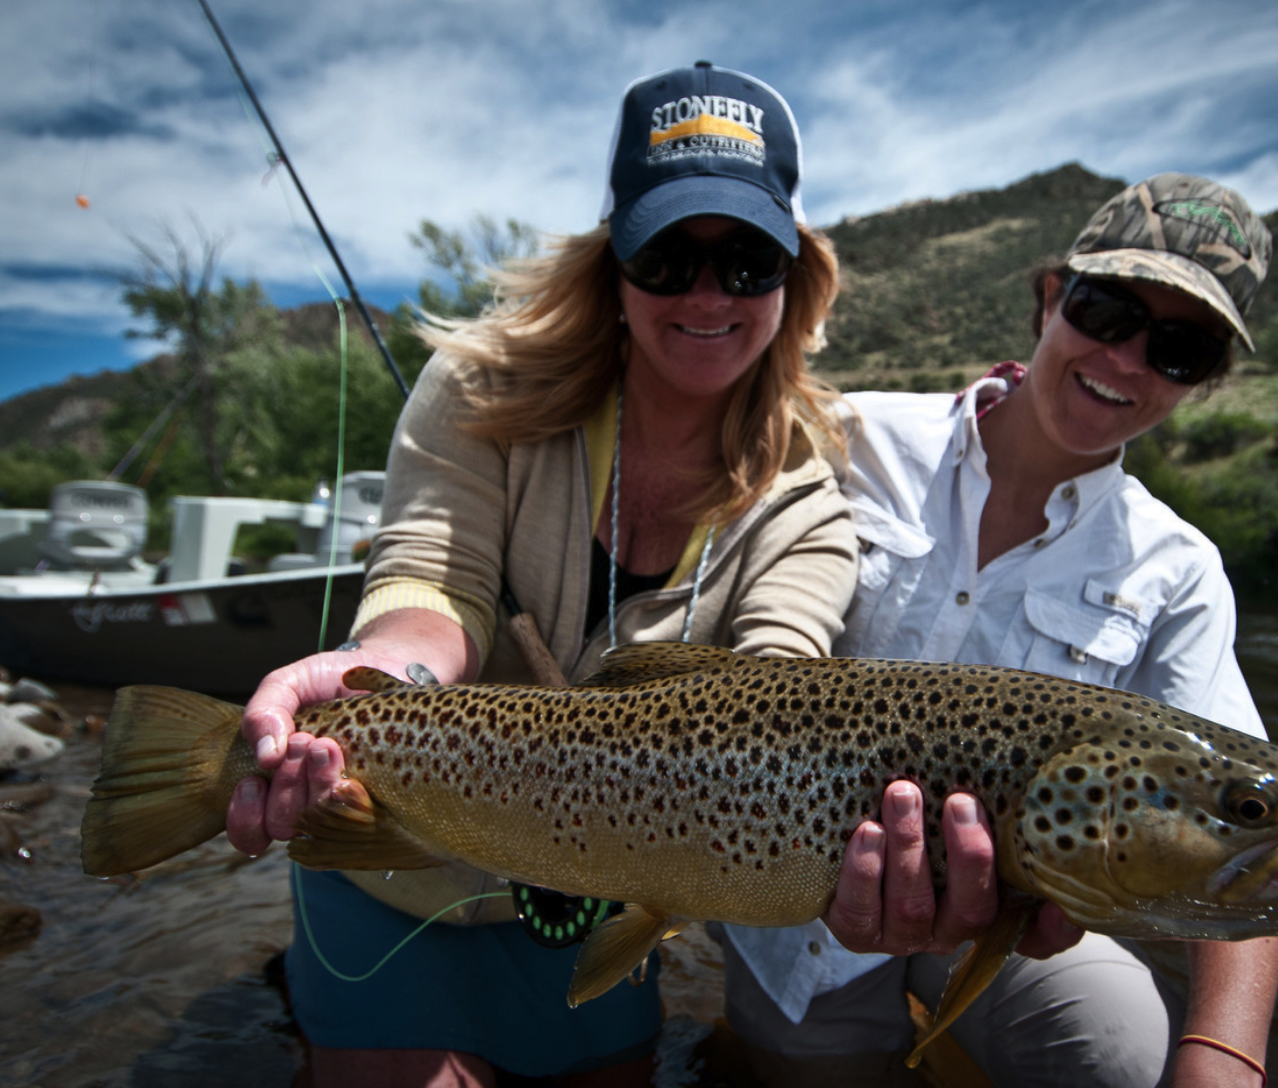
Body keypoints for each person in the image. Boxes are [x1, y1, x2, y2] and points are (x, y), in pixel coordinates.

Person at [221, 61, 865, 1088]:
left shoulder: (808, 499)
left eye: (746, 260)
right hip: (389, 846)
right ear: (612, 265)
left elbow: (779, 684)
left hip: (594, 892)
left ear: (794, 280)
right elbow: (435, 579)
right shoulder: (481, 385)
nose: (705, 294)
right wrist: (381, 679)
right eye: (666, 255)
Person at [717, 173, 1278, 1088]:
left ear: (1204, 381)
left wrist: (1224, 1055)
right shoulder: (850, 439)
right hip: (794, 904)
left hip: (1013, 920)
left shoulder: (1175, 570)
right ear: (1052, 298)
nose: (1128, 360)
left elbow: (1235, 822)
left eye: (1179, 349)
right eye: (1106, 311)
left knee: (1122, 1056)